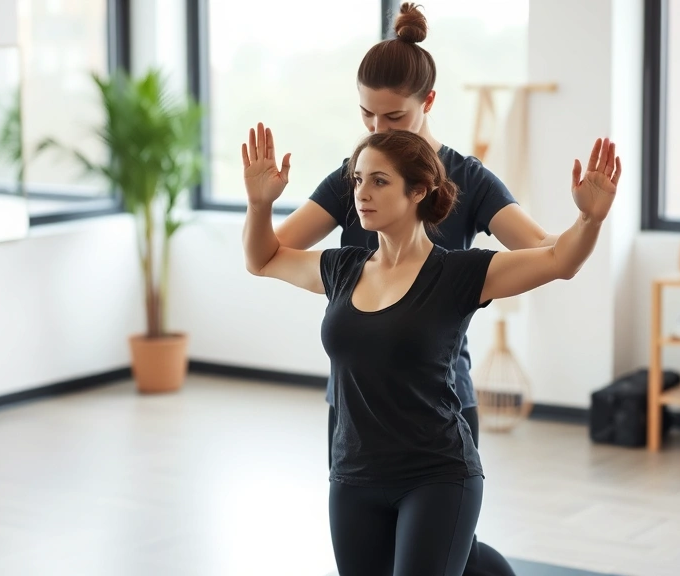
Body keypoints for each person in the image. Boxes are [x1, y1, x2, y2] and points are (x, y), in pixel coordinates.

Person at [271, 3, 582, 574]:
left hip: (439, 392)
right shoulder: (359, 174)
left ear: (428, 103)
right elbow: (274, 248)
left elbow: (542, 247)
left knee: (436, 545)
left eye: (393, 117)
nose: (377, 129)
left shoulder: (466, 177)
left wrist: (586, 222)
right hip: (360, 395)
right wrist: (259, 199)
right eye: (367, 115)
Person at [242, 123, 620, 575]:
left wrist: (589, 219)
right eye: (358, 180)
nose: (362, 193)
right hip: (353, 475)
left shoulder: (459, 273)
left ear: (418, 191)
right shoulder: (341, 267)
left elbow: (560, 261)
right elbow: (262, 259)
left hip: (436, 474)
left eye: (379, 181)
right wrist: (259, 204)